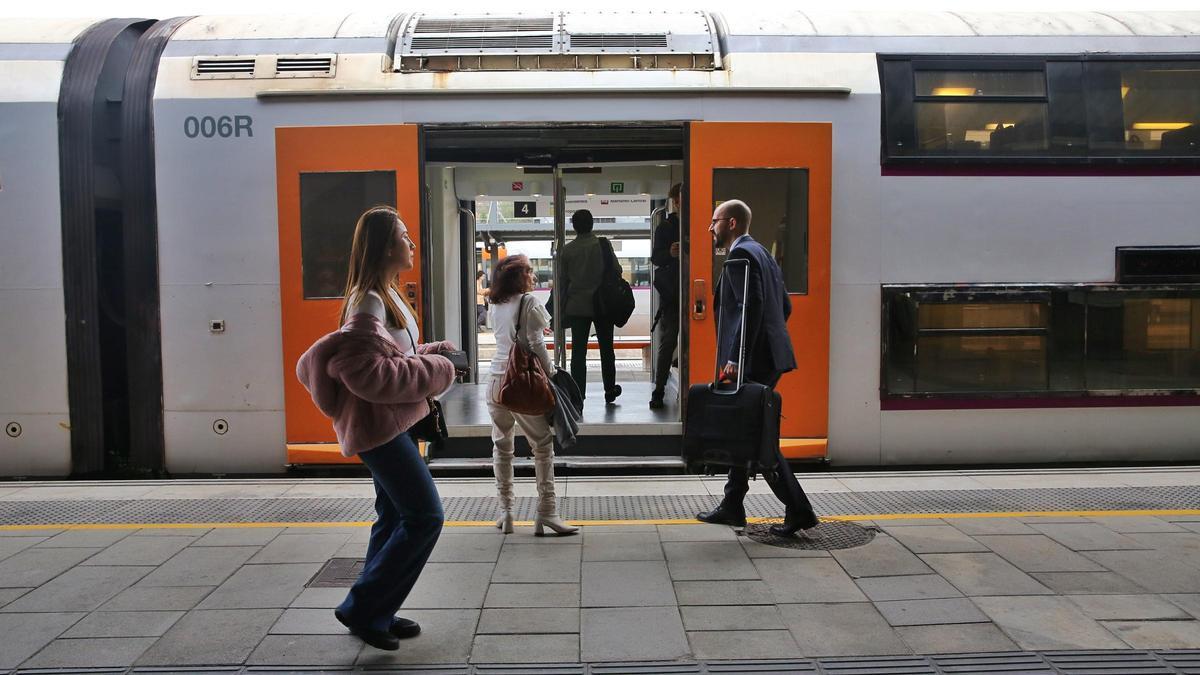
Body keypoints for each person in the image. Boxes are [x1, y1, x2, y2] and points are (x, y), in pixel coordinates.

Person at [296, 205, 459, 651]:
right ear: (386, 246)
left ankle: (376, 609)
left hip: (397, 422)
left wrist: (435, 351)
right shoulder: (368, 300)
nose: (411, 244)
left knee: (392, 515)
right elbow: (367, 373)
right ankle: (364, 607)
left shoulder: (387, 295)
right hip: (380, 430)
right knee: (425, 516)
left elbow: (394, 357)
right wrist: (440, 368)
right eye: (404, 236)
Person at [695, 199, 819, 538]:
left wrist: (736, 358)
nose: (711, 228)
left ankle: (799, 510)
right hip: (770, 356)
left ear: (731, 223)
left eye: (715, 221)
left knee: (758, 435)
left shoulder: (740, 256)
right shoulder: (762, 252)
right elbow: (785, 305)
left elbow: (750, 310)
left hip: (751, 360)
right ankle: (733, 505)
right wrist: (771, 340)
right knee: (744, 429)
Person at [486, 254, 579, 537]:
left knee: (502, 446)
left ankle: (507, 512)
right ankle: (547, 512)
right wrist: (550, 372)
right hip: (521, 383)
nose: (533, 276)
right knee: (542, 445)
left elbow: (502, 338)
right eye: (528, 271)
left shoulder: (496, 304)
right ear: (517, 276)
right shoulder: (530, 302)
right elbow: (537, 343)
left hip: (495, 381)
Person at [557, 209, 621, 405]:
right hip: (603, 305)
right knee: (606, 349)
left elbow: (562, 281)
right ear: (592, 224)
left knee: (578, 353)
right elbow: (617, 270)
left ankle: (579, 395)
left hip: (578, 306)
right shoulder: (602, 245)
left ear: (574, 227)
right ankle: (609, 390)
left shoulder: (567, 251)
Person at [649, 183, 682, 410]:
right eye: (679, 199)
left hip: (686, 292)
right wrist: (669, 253)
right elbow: (656, 258)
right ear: (675, 201)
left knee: (669, 341)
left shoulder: (702, 223)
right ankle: (659, 389)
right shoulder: (666, 227)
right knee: (668, 341)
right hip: (672, 294)